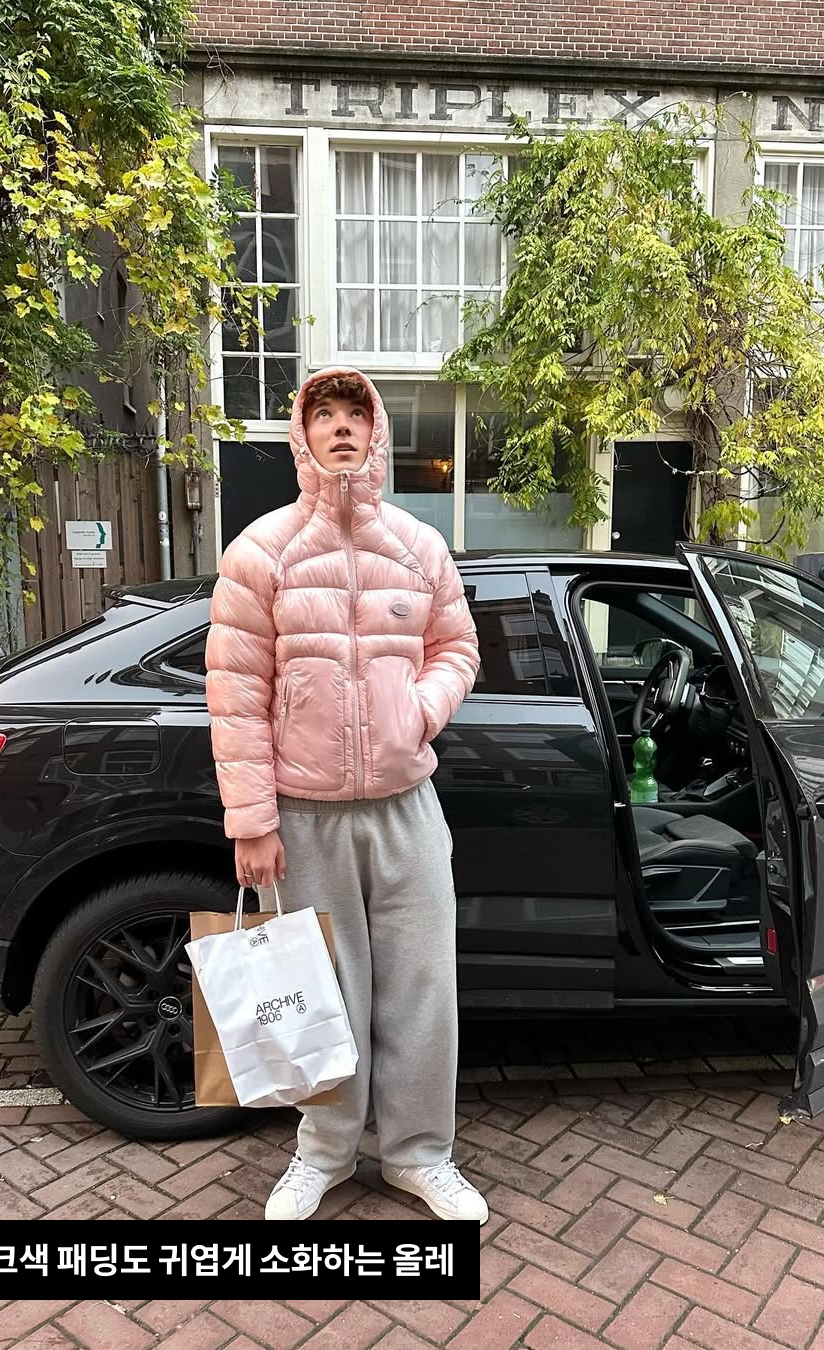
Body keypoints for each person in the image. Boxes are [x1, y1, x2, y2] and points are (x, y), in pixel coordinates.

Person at [205, 367, 487, 1222]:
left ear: (376, 433)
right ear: (301, 434)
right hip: (305, 816)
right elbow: (236, 694)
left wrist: (419, 711)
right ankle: (323, 1153)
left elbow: (458, 649)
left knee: (423, 993)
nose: (338, 427)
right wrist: (253, 821)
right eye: (321, 413)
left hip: (406, 808)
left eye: (352, 414)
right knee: (319, 993)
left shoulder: (419, 547)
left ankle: (419, 1156)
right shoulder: (261, 552)